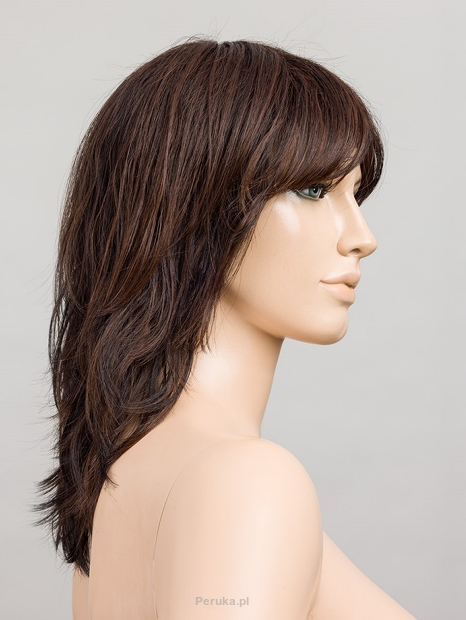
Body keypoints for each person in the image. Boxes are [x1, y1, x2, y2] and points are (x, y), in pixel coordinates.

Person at [34, 37, 417, 619]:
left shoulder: (132, 475)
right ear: (194, 204)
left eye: (355, 194)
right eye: (313, 190)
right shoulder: (244, 484)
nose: (362, 237)